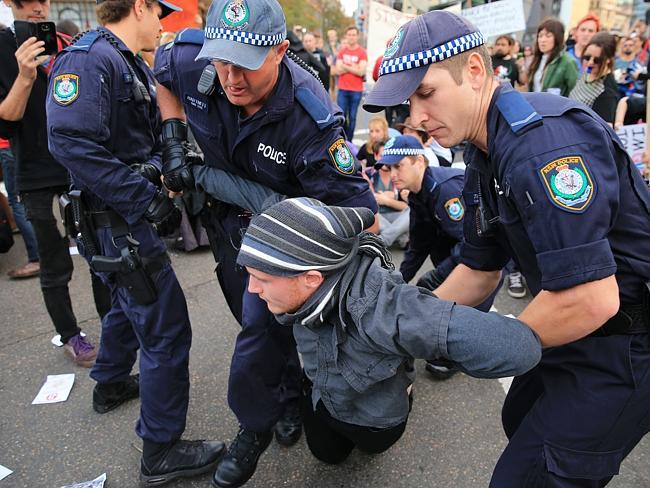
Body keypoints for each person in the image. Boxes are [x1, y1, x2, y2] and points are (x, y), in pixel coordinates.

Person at [366, 9, 650, 486]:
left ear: (475, 71)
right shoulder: (483, 149)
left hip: (622, 346)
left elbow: (593, 297)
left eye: (426, 93)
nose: (415, 117)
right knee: (518, 418)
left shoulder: (540, 147)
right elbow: (480, 268)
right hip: (574, 327)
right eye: (407, 103)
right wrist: (405, 330)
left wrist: (470, 344)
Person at [152, 0, 378, 485]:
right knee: (255, 320)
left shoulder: (311, 119)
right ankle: (288, 397)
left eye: (246, 65)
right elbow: (163, 77)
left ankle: (252, 427)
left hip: (284, 238)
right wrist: (173, 135)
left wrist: (265, 204)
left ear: (279, 51)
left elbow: (361, 213)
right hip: (224, 231)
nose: (231, 78)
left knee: (257, 330)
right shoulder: (192, 57)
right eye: (222, 61)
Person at [45, 0, 226, 484]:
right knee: (166, 328)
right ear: (139, 6)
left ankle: (107, 384)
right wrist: (146, 199)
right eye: (159, 13)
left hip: (115, 221)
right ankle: (161, 451)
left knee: (128, 305)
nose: (162, 24)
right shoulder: (90, 58)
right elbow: (68, 141)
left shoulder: (119, 59)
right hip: (118, 221)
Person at [236, 196, 541, 465]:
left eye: (262, 278)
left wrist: (419, 348)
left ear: (311, 279)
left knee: (370, 450)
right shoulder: (304, 278)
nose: (252, 288)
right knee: (327, 456)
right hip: (322, 397)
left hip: (373, 419)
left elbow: (518, 348)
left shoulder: (381, 309)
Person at [0, 0, 110, 367]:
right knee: (55, 264)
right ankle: (70, 334)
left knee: (99, 254)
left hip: (79, 167)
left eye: (42, 0)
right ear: (8, 4)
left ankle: (113, 324)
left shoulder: (67, 42)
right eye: (26, 1)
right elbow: (6, 120)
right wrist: (26, 75)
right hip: (36, 175)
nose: (37, 8)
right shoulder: (2, 47)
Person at [378, 135, 500, 378]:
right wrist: (397, 281)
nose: (392, 174)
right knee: (422, 294)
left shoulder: (446, 190)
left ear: (419, 162)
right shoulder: (417, 195)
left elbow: (473, 245)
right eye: (389, 168)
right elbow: (418, 247)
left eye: (398, 166)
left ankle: (463, 353)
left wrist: (438, 276)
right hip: (455, 263)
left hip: (482, 268)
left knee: (448, 311)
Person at [0, 139, 40, 278]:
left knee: (17, 201)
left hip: (7, 145)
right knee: (26, 197)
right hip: (19, 144)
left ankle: (37, 258)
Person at [569, 32, 620, 125]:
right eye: (587, 57)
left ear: (608, 60)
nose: (590, 62)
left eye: (597, 60)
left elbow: (604, 129)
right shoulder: (588, 72)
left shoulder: (607, 92)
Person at [527, 18, 578, 96]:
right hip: (535, 106)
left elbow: (574, 92)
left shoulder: (567, 62)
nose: (542, 40)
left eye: (548, 36)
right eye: (540, 36)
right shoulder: (537, 59)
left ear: (558, 38)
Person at [336, 26, 367, 140]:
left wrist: (345, 66)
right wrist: (353, 67)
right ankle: (342, 139)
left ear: (357, 36)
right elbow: (338, 70)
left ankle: (350, 141)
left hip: (356, 90)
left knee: (352, 117)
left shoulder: (362, 52)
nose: (351, 37)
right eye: (349, 35)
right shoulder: (342, 51)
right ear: (346, 36)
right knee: (341, 116)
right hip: (343, 89)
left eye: (353, 35)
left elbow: (361, 72)